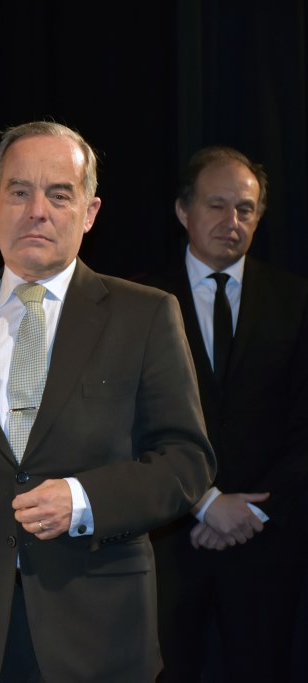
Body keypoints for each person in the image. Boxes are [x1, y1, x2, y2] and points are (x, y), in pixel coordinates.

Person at [0, 121, 216, 683]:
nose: (36, 209)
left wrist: (83, 497)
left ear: (89, 212)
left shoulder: (145, 315)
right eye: (19, 191)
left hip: (101, 631)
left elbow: (187, 462)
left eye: (59, 194)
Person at [144, 146, 308, 682]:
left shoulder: (296, 301)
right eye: (217, 206)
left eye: (245, 209)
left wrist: (253, 512)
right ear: (182, 211)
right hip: (170, 543)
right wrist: (205, 503)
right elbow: (131, 423)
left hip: (266, 545)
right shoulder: (139, 303)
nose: (231, 222)